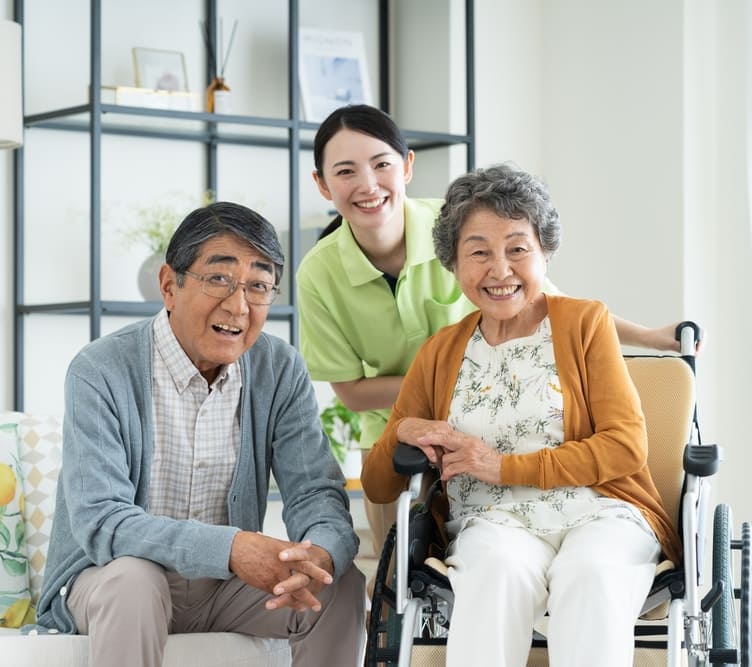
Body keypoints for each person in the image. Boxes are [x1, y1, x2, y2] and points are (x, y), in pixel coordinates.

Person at [296, 103, 690, 564]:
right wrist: (441, 389)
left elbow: (550, 304)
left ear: (405, 166)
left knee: (582, 562)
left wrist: (649, 337)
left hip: (525, 431)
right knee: (399, 576)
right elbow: (352, 392)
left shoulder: (467, 225)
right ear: (322, 183)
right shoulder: (319, 275)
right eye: (345, 171)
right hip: (405, 435)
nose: (367, 184)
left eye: (381, 164)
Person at [361, 164, 683, 667]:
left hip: (602, 512)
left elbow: (625, 446)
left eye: (517, 248)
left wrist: (503, 467)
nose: (500, 269)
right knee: (495, 573)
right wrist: (401, 428)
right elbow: (379, 484)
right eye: (479, 252)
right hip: (492, 522)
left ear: (544, 252)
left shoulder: (584, 323)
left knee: (591, 574)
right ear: (453, 262)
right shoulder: (440, 352)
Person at [34, 202, 366, 667]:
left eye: (259, 286)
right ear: (170, 285)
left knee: (340, 585)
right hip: (112, 579)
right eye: (219, 279)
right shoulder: (101, 369)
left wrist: (319, 554)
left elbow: (315, 492)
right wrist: (229, 549)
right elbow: (101, 520)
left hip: (224, 591)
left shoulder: (279, 368)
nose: (238, 305)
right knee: (135, 581)